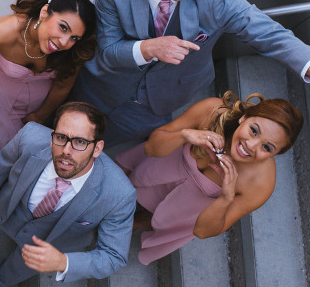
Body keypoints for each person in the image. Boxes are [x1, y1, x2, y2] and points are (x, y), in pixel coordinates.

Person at [71, 0, 310, 146]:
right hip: (101, 87)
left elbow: (263, 29)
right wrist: (148, 48)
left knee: (102, 144)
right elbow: (109, 50)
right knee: (63, 127)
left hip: (157, 102)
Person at [0, 102, 136, 287]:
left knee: (18, 268)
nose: (66, 152)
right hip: (6, 211)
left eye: (79, 142)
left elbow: (113, 257)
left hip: (51, 242)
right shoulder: (30, 137)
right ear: (52, 135)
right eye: (61, 138)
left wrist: (62, 262)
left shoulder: (119, 195)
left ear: (97, 148)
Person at [116, 91, 303, 265]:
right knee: (123, 181)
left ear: (274, 155)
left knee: (154, 219)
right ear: (244, 117)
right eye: (254, 130)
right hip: (162, 164)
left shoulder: (261, 184)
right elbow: (151, 149)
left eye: (267, 147)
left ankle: (137, 222)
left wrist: (226, 197)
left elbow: (203, 231)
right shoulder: (212, 110)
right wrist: (184, 135)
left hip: (185, 207)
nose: (251, 145)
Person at [0, 0, 96, 163]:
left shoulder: (72, 51)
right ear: (44, 12)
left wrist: (39, 116)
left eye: (74, 38)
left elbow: (62, 86)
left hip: (31, 116)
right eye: (63, 27)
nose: (65, 42)